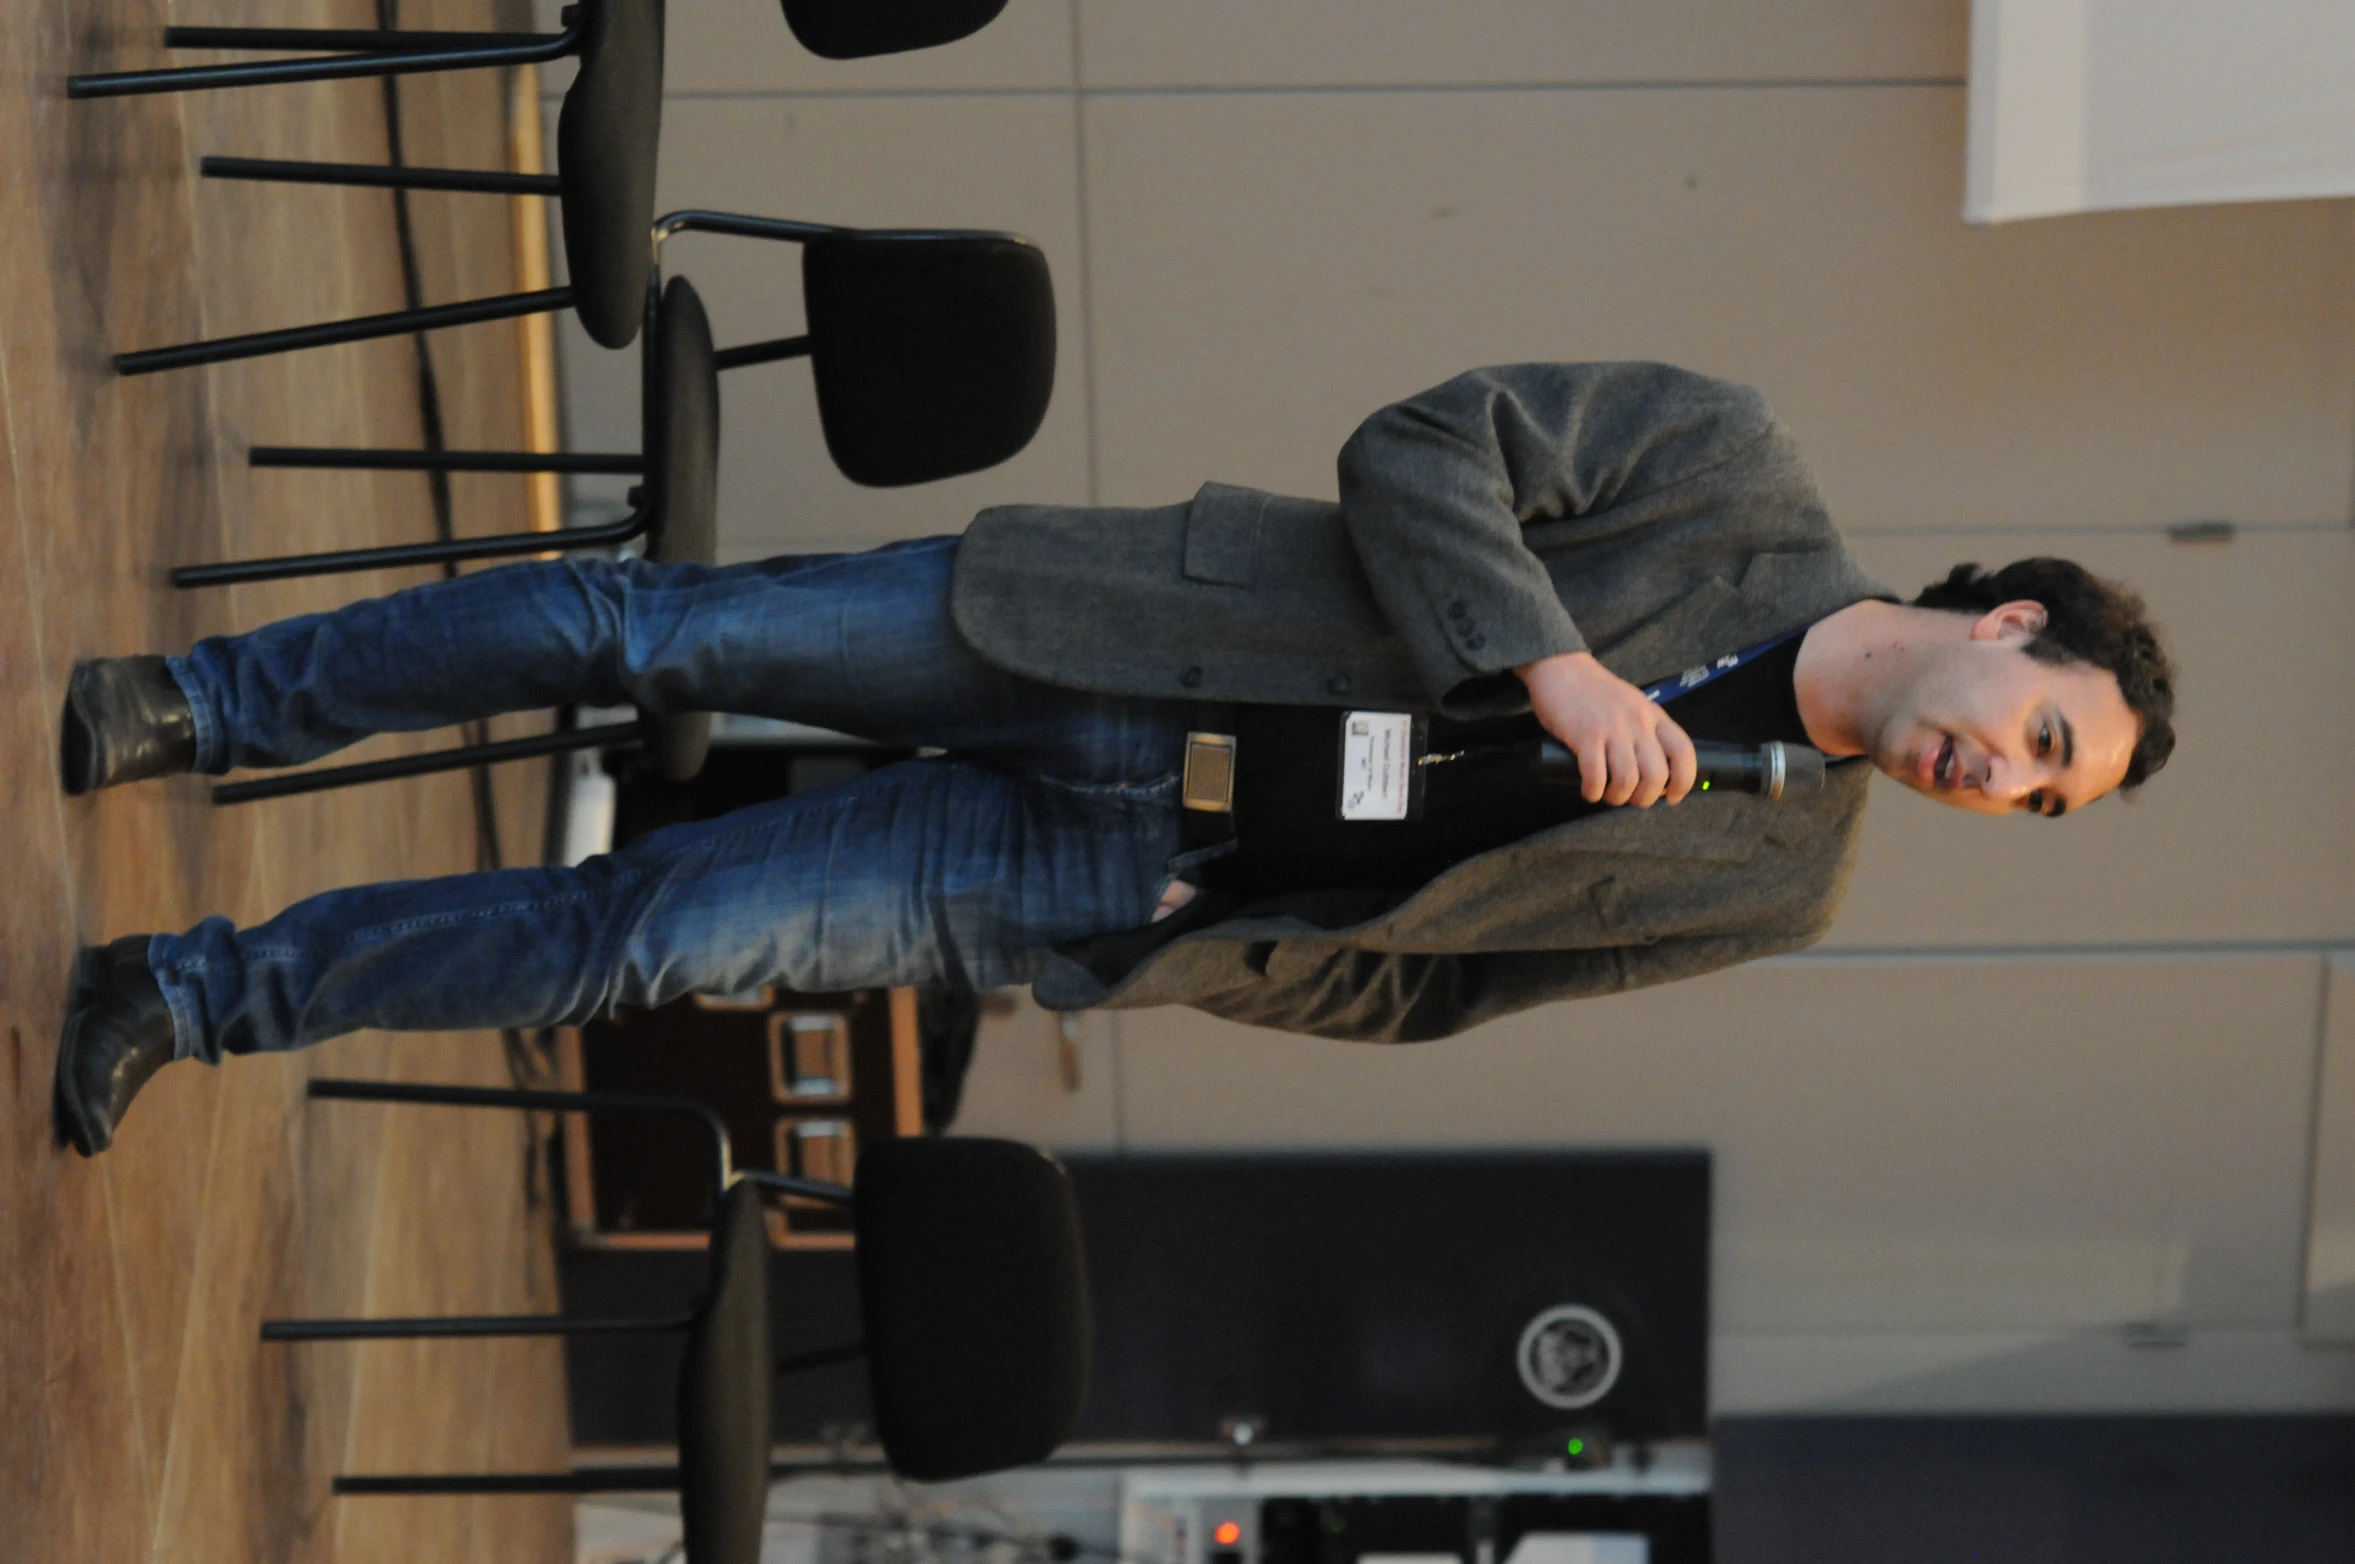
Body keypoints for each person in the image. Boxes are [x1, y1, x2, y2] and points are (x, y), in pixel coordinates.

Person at [51, 362, 2176, 1155]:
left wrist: (1210, 939)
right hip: (1108, 633)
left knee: (640, 938)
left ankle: (189, 991)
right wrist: (1545, 669)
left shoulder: (1779, 882)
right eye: (2041, 733)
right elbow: (1421, 448)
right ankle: (205, 704)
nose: (2004, 777)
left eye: (2042, 800)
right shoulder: (1732, 465)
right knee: (653, 625)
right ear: (2008, 623)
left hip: (1109, 869)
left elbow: (1447, 985)